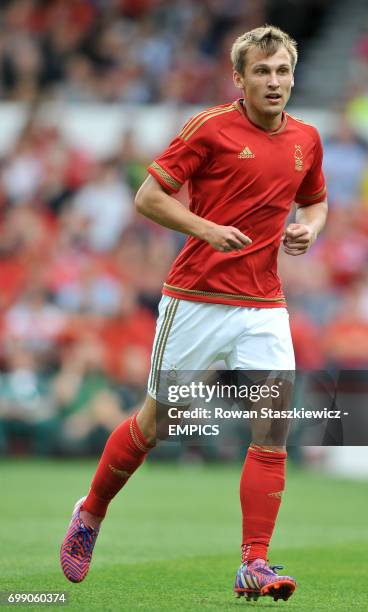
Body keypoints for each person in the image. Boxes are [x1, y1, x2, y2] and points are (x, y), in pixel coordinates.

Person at [60, 24, 328, 602]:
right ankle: (92, 511)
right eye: (262, 71)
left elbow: (316, 199)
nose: (274, 81)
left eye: (282, 70)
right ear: (240, 78)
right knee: (153, 426)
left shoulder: (308, 138)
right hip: (196, 299)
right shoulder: (210, 128)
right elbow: (148, 196)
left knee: (274, 426)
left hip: (264, 303)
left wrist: (311, 229)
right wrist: (206, 228)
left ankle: (253, 562)